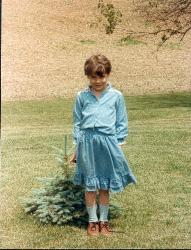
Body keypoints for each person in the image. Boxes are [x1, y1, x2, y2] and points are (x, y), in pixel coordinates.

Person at [70, 54, 136, 236]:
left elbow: (121, 122)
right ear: (88, 77)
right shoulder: (81, 96)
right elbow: (77, 122)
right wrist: (76, 147)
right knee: (90, 185)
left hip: (108, 144)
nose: (98, 81)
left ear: (108, 74)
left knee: (104, 185)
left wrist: (119, 145)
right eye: (93, 77)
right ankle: (92, 222)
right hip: (87, 144)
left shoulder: (116, 96)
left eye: (102, 76)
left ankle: (104, 221)